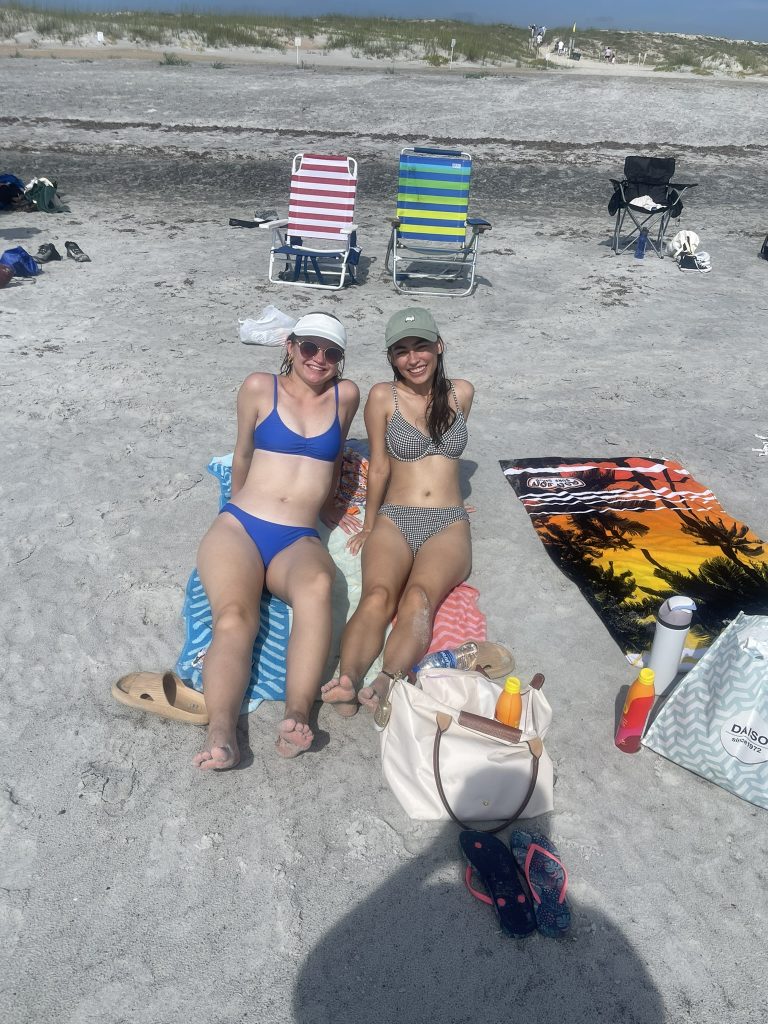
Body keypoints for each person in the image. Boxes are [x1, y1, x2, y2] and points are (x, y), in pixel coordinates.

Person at [194, 313, 360, 769]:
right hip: (243, 526)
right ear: (290, 346)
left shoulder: (346, 396)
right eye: (309, 347)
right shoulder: (258, 387)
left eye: (331, 353)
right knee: (235, 617)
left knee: (318, 590)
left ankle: (297, 714)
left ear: (341, 361)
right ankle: (222, 731)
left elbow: (338, 451)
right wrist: (231, 507)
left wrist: (331, 504)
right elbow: (243, 453)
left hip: (298, 536)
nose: (319, 359)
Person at [321, 308, 474, 721]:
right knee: (376, 595)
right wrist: (369, 524)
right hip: (396, 516)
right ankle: (348, 680)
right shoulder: (381, 397)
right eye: (401, 351)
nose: (413, 358)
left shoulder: (462, 393)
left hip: (447, 522)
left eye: (421, 345)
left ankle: (388, 679)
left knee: (419, 598)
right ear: (392, 358)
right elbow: (382, 465)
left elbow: (448, 463)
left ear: (439, 347)